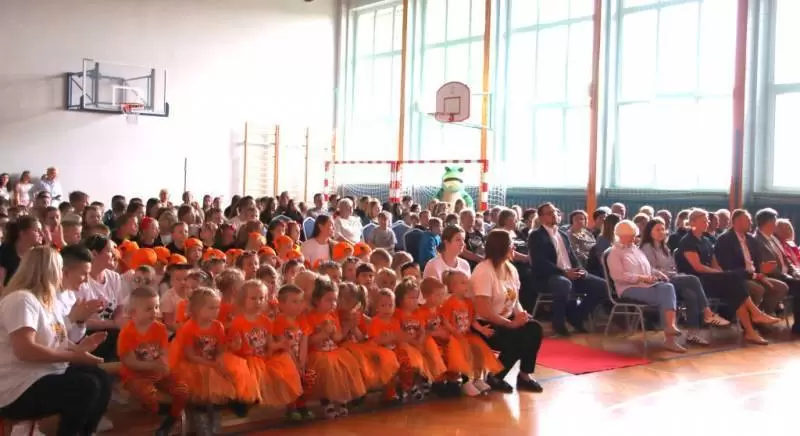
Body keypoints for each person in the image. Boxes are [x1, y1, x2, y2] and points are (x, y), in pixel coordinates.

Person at [0, 246, 112, 436]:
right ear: (49, 270)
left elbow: (59, 340)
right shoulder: (21, 299)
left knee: (100, 378)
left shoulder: (46, 301)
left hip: (42, 374)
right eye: (60, 269)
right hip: (17, 386)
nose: (63, 273)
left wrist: (80, 349)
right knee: (85, 386)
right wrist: (73, 356)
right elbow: (25, 350)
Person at [675, 209, 780, 345]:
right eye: (703, 221)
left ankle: (751, 330)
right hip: (697, 281)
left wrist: (720, 272)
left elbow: (715, 263)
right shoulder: (687, 241)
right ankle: (755, 316)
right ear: (693, 223)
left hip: (711, 278)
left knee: (735, 290)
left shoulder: (706, 240)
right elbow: (698, 267)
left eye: (707, 220)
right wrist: (721, 274)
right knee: (734, 281)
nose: (707, 223)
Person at [471, 229, 543, 393]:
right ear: (501, 247)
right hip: (485, 324)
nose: (514, 248)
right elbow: (484, 310)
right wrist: (511, 324)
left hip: (506, 319)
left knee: (534, 328)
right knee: (517, 337)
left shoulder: (511, 269)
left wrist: (521, 315)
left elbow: (514, 300)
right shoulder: (483, 270)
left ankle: (524, 375)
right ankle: (496, 375)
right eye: (511, 244)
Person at [639, 218, 730, 344]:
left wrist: (673, 273)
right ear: (650, 232)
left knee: (691, 296)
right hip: (659, 282)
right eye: (657, 230)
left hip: (671, 279)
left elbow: (673, 267)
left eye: (663, 229)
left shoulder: (665, 248)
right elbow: (651, 269)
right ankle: (708, 313)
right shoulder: (647, 247)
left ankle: (692, 334)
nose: (661, 232)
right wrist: (671, 273)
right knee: (693, 279)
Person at [118, 287, 189, 436]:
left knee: (182, 388)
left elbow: (163, 351)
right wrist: (153, 365)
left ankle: (172, 418)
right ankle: (156, 412)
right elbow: (129, 361)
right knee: (146, 392)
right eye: (149, 309)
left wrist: (164, 364)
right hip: (135, 375)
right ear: (133, 312)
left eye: (156, 307)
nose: (155, 312)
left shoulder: (160, 328)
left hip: (157, 371)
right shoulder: (127, 332)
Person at [606, 220, 686, 353]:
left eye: (634, 235)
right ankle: (670, 338)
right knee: (665, 297)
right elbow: (618, 276)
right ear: (621, 236)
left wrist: (657, 273)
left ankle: (670, 328)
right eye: (631, 235)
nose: (634, 238)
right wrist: (641, 278)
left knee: (668, 287)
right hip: (628, 289)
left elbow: (647, 268)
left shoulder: (636, 250)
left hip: (645, 285)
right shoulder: (614, 253)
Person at [529, 202, 606, 336]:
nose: (554, 215)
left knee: (602, 286)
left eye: (555, 212)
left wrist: (581, 270)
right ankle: (558, 324)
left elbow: (572, 257)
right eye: (549, 213)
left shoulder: (563, 235)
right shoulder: (536, 235)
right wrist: (564, 273)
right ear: (541, 218)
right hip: (550, 276)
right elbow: (540, 262)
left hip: (569, 272)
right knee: (564, 283)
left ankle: (576, 316)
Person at [714, 209, 788, 315]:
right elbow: (727, 265)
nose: (751, 223)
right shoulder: (725, 239)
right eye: (748, 221)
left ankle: (765, 314)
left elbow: (756, 263)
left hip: (755, 275)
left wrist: (761, 272)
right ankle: (752, 319)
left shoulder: (751, 240)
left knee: (781, 287)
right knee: (758, 289)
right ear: (737, 222)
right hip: (738, 278)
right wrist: (753, 275)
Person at [752, 208, 800, 335]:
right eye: (774, 221)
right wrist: (788, 276)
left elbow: (786, 260)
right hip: (773, 276)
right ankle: (798, 326)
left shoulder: (773, 238)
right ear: (768, 223)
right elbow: (763, 265)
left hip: (786, 275)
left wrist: (794, 272)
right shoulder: (756, 240)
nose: (776, 224)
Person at [0, 216, 43, 286]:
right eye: (36, 230)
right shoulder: (5, 251)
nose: (41, 234)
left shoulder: (39, 253)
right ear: (22, 233)